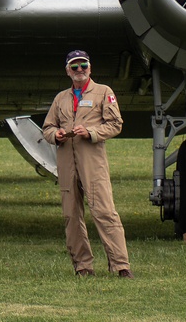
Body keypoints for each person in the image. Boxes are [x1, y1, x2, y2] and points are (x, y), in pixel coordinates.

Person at [42, 50, 134, 278]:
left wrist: (91, 132)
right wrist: (57, 134)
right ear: (67, 71)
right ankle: (82, 266)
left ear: (90, 68)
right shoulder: (60, 98)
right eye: (75, 67)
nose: (79, 70)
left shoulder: (104, 92)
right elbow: (47, 128)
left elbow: (115, 124)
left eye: (83, 66)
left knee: (104, 211)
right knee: (71, 215)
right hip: (66, 162)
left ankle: (121, 266)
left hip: (92, 162)